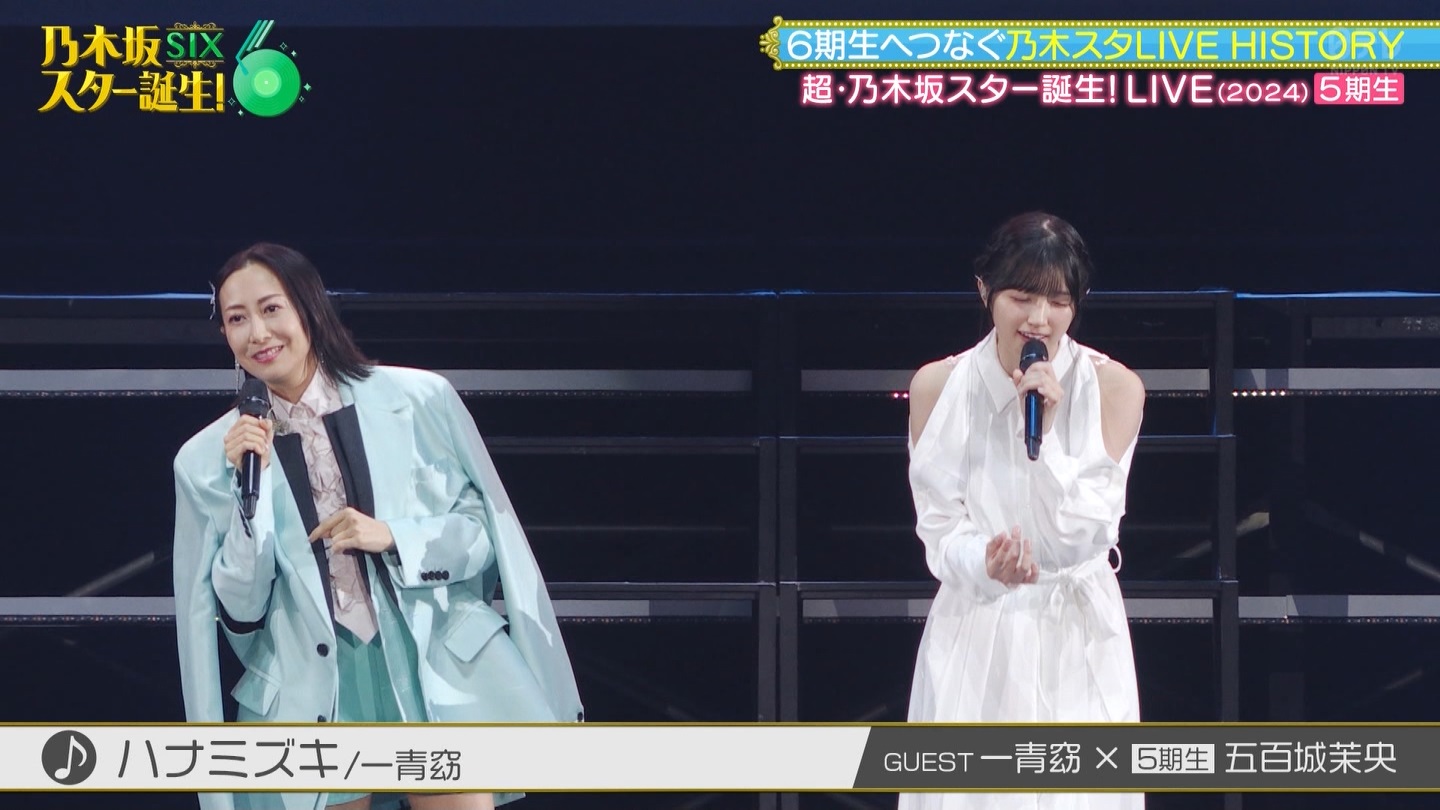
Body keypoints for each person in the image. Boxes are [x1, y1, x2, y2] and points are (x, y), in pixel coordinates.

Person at [173, 243, 583, 810]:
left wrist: (394, 537)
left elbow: (483, 532)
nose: (257, 333)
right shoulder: (206, 459)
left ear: (308, 307)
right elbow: (239, 606)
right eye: (237, 319)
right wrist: (252, 500)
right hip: (314, 686)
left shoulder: (418, 399)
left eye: (271, 309)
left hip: (430, 662)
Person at [901, 213, 1146, 810]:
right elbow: (939, 527)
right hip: (978, 623)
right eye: (1022, 297)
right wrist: (984, 562)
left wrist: (1050, 440)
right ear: (984, 290)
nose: (1040, 318)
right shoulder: (939, 386)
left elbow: (1088, 531)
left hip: (1076, 629)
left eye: (1058, 302)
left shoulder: (1114, 388)